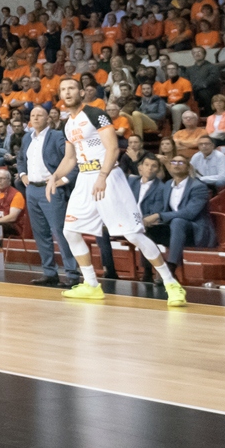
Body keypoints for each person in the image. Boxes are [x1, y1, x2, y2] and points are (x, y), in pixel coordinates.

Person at [53, 77, 186, 306]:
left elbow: (113, 148)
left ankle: (171, 283)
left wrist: (103, 177)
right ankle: (92, 285)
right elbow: (69, 158)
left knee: (133, 234)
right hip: (85, 178)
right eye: (63, 89)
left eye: (71, 88)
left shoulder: (96, 114)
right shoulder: (67, 124)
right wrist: (53, 177)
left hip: (108, 176)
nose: (67, 92)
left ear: (82, 91)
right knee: (70, 231)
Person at [16, 106, 78, 286]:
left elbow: (72, 159)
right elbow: (21, 159)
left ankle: (72, 273)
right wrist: (22, 175)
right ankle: (49, 272)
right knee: (40, 233)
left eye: (39, 115)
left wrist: (63, 180)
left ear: (48, 119)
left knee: (60, 231)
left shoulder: (58, 136)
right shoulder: (27, 137)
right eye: (33, 115)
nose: (35, 118)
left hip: (50, 189)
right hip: (32, 189)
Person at [148, 155, 216, 271]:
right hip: (172, 230)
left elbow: (190, 213)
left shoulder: (199, 187)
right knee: (145, 228)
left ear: (188, 167)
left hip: (195, 232)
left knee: (178, 221)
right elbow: (160, 209)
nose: (176, 165)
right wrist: (147, 219)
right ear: (169, 166)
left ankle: (171, 267)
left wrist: (159, 216)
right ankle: (148, 272)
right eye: (174, 162)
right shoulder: (167, 185)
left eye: (181, 162)